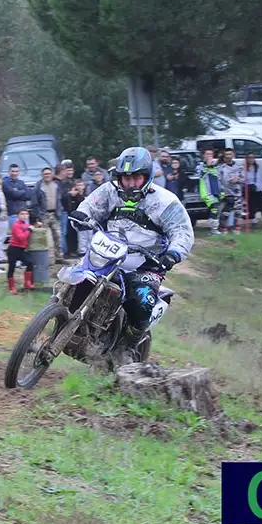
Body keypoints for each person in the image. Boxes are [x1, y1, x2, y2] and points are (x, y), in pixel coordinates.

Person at [71, 147, 194, 363]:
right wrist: (82, 214)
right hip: (108, 253)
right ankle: (62, 315)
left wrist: (173, 254)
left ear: (147, 176)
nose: (131, 183)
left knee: (142, 302)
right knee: (74, 278)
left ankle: (127, 347)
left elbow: (182, 232)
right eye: (126, 178)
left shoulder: (166, 201)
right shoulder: (109, 190)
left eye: (137, 177)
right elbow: (90, 205)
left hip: (146, 263)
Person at [34, 166, 64, 262]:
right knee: (47, 239)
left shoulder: (56, 185)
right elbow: (35, 202)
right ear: (42, 175)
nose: (47, 175)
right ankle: (48, 260)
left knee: (58, 236)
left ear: (52, 174)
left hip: (55, 214)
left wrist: (60, 209)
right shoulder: (38, 186)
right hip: (44, 215)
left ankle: (59, 257)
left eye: (49, 173)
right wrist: (38, 216)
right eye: (45, 174)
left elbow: (60, 199)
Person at [5, 208, 33, 295]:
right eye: (22, 214)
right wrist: (29, 230)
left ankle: (27, 282)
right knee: (11, 268)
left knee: (29, 263)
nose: (24, 216)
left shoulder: (25, 224)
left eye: (26, 214)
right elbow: (21, 237)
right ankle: (11, 287)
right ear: (18, 215)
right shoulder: (16, 225)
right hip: (13, 249)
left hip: (21, 249)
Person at [217, 149, 244, 231]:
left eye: (230, 154)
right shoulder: (221, 168)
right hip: (227, 193)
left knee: (238, 212)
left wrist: (238, 180)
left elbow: (244, 178)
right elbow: (220, 180)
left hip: (238, 193)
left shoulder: (239, 167)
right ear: (224, 156)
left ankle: (236, 228)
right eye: (227, 155)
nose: (228, 156)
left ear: (233, 155)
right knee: (226, 212)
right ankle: (223, 227)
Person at [243, 153, 262, 229]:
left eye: (252, 157)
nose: (251, 159)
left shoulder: (258, 168)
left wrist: (261, 187)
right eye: (249, 158)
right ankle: (254, 222)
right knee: (251, 206)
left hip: (258, 189)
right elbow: (243, 179)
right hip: (249, 190)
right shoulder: (244, 169)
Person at [198, 154, 225, 236]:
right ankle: (213, 230)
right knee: (214, 209)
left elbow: (219, 181)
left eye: (212, 160)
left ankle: (214, 229)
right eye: (209, 160)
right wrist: (207, 165)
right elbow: (202, 174)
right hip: (207, 193)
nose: (212, 161)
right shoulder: (202, 167)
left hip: (216, 193)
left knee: (216, 211)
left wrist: (222, 192)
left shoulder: (216, 169)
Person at [62, 179, 86, 257]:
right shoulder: (71, 195)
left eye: (81, 185)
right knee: (71, 234)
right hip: (72, 216)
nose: (79, 187)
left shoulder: (85, 194)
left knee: (84, 235)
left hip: (84, 217)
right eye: (78, 185)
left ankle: (83, 250)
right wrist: (71, 195)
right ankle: (71, 250)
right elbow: (67, 205)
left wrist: (79, 195)